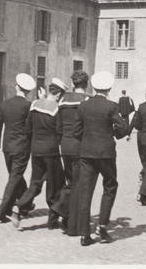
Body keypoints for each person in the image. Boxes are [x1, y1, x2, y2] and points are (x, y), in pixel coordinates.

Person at [73, 71, 128, 246]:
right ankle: (102, 225)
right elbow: (122, 129)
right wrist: (114, 134)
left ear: (94, 87)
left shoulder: (83, 106)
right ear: (109, 89)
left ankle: (84, 234)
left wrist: (87, 140)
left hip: (87, 153)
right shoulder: (112, 106)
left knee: (85, 191)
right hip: (106, 153)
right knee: (110, 186)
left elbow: (76, 131)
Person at [13, 78, 66, 230]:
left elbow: (28, 129)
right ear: (59, 94)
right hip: (51, 151)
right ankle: (52, 221)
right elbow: (59, 131)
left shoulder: (34, 104)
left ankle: (19, 206)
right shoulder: (57, 109)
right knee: (55, 186)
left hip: (36, 150)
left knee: (35, 183)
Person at [0, 73, 36, 224]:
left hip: (7, 146)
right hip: (22, 146)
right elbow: (31, 128)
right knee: (15, 177)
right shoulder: (28, 106)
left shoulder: (4, 104)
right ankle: (2, 210)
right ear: (28, 91)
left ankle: (26, 204)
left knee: (15, 175)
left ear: (16, 87)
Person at [53, 71, 89, 236]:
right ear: (86, 84)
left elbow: (58, 126)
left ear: (73, 84)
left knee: (71, 181)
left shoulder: (62, 100)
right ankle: (68, 217)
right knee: (78, 184)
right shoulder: (86, 101)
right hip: (79, 146)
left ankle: (65, 216)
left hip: (65, 146)